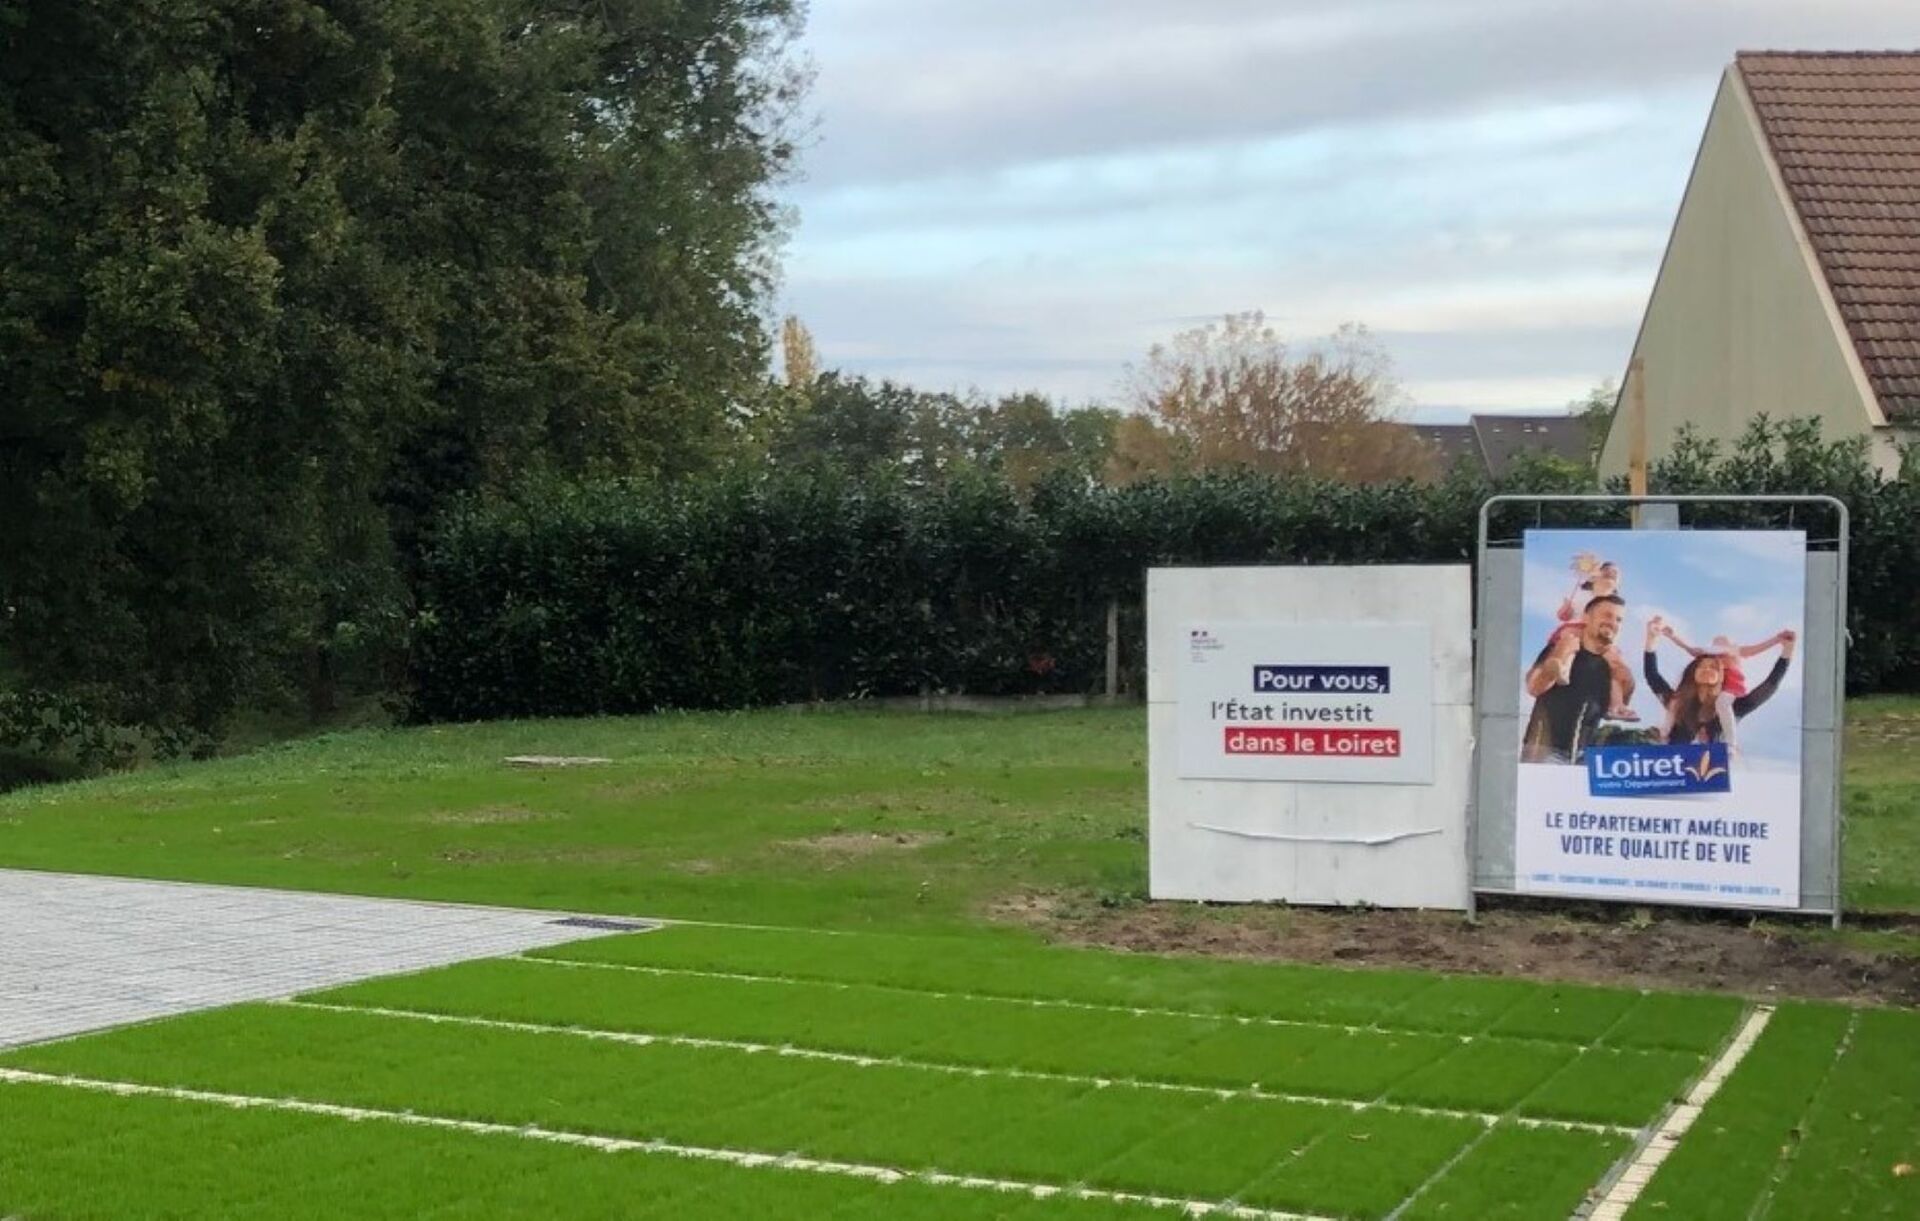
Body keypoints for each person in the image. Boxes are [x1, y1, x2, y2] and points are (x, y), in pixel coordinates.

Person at [1643, 616, 1795, 748]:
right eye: (1702, 666)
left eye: (1714, 667)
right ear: (1692, 672)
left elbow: (1771, 685)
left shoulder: (1734, 708)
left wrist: (1787, 651)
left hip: (1713, 778)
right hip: (1675, 776)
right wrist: (1651, 640)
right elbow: (1653, 676)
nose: (1708, 669)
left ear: (1722, 675)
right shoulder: (1680, 703)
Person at [1522, 594, 1628, 764]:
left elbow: (1614, 710)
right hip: (1545, 750)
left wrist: (1620, 671)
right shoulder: (1561, 648)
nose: (1613, 622)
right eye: (1607, 615)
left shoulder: (1611, 665)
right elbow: (1534, 687)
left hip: (1585, 756)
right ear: (1587, 617)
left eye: (1619, 619)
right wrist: (1559, 655)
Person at [1655, 625, 1794, 699]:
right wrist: (1672, 636)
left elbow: (1755, 649)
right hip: (1713, 688)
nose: (1720, 655)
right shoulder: (1708, 654)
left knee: (1723, 703)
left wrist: (1776, 640)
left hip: (1730, 688)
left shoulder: (1734, 652)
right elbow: (1689, 649)